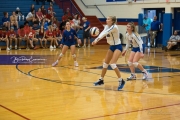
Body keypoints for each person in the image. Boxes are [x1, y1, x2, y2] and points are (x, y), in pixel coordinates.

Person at [91, 16, 125, 91]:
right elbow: (103, 32)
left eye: (108, 19)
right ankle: (101, 80)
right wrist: (96, 39)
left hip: (118, 46)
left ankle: (121, 81)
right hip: (112, 46)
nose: (106, 20)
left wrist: (96, 41)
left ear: (112, 21)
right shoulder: (107, 26)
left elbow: (105, 33)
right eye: (106, 19)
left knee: (113, 64)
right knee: (105, 64)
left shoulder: (114, 27)